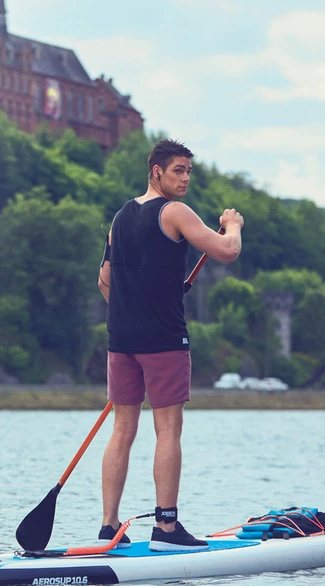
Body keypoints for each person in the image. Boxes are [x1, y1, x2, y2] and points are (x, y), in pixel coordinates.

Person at [97, 139, 244, 551]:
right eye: (178, 170)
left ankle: (109, 528)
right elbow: (227, 252)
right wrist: (232, 223)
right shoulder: (174, 212)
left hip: (120, 340)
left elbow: (104, 282)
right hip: (163, 340)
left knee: (122, 429)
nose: (185, 179)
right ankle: (166, 529)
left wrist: (133, 308)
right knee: (168, 430)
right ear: (156, 172)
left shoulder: (120, 217)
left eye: (188, 171)